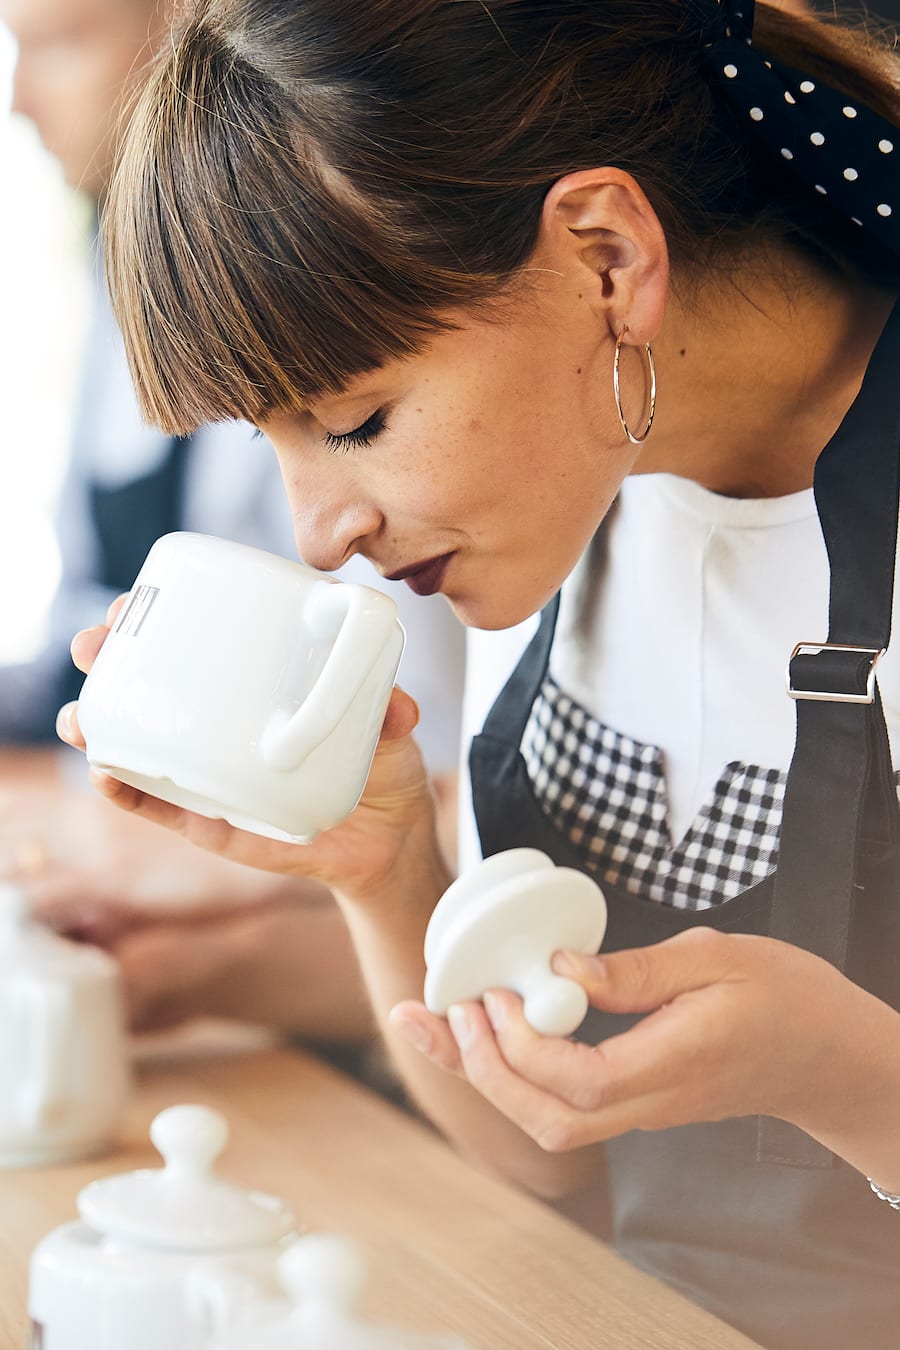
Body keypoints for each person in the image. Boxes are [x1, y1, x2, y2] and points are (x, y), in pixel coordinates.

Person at [58, 0, 900, 1344]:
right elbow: (542, 1161)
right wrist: (384, 871)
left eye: (354, 421)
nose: (318, 531)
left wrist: (847, 1074)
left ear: (608, 259)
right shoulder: (570, 506)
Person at [0, 0, 464, 1035]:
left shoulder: (366, 331)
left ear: (197, 35)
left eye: (59, 45)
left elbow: (425, 776)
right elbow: (78, 605)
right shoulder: (107, 282)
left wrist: (194, 937)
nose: (20, 101)